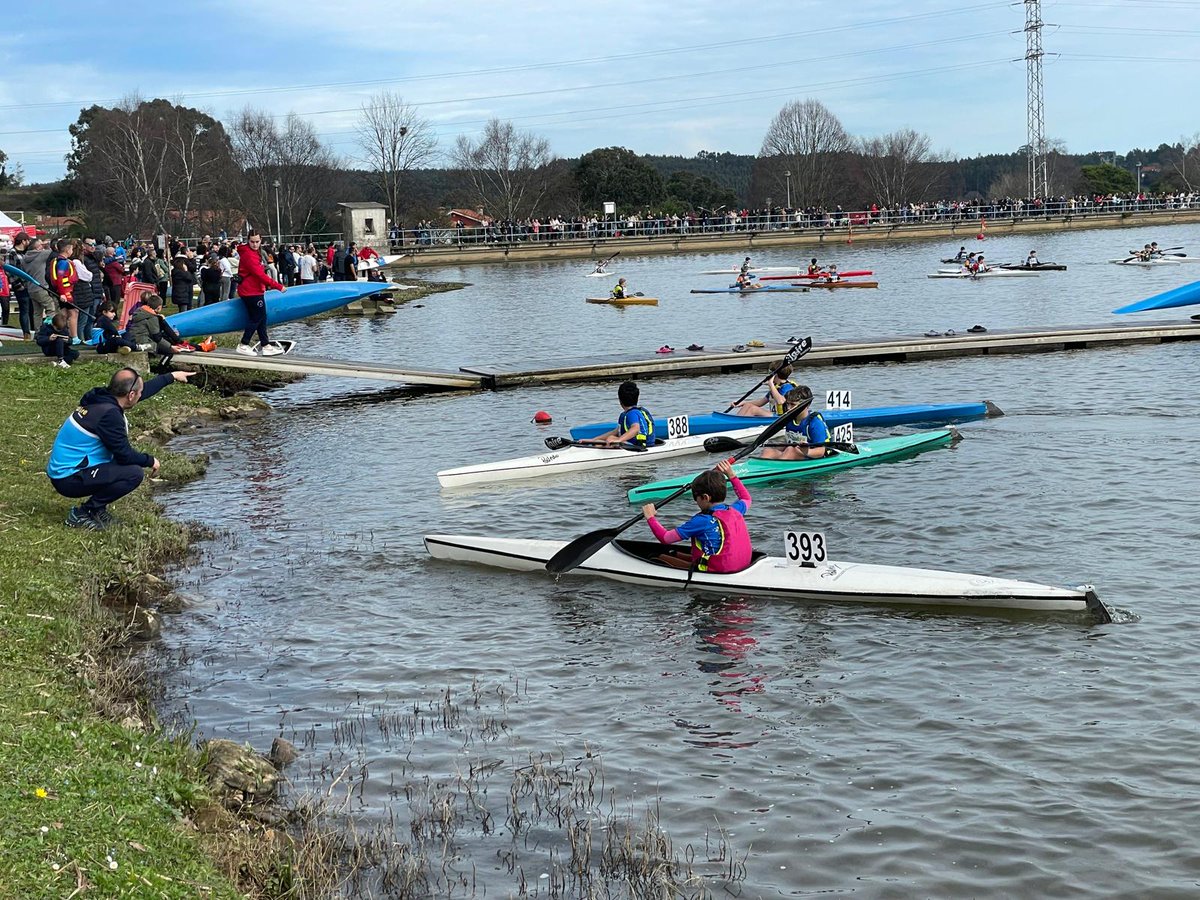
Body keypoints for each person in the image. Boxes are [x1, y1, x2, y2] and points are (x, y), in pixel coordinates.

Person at [46, 366, 195, 529]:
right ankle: (83, 513)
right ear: (131, 395)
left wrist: (172, 376)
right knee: (133, 473)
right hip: (68, 478)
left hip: (71, 470)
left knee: (126, 468)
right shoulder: (109, 415)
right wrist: (150, 460)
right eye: (138, 393)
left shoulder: (101, 398)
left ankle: (97, 510)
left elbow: (140, 392)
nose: (140, 395)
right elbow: (124, 455)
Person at [641, 459, 753, 574]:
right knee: (674, 553)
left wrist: (650, 517)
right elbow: (746, 498)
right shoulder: (736, 510)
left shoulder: (702, 520)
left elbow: (665, 538)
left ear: (705, 497)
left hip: (720, 571)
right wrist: (731, 475)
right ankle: (676, 555)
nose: (696, 502)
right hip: (743, 565)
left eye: (696, 498)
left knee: (657, 557)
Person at [236, 230, 285, 356]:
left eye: (257, 242)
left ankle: (265, 345)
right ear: (248, 240)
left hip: (254, 290)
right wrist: (278, 286)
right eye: (252, 242)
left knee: (262, 317)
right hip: (250, 292)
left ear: (261, 240)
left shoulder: (253, 252)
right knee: (257, 317)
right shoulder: (249, 255)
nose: (255, 244)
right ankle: (244, 344)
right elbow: (259, 275)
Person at [757, 384, 829, 460]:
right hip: (795, 454)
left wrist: (806, 451)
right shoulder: (789, 419)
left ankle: (776, 469)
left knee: (790, 450)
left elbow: (821, 452)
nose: (788, 408)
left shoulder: (815, 423)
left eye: (792, 404)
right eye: (788, 404)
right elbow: (789, 442)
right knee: (768, 451)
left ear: (806, 405)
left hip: (815, 456)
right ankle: (757, 468)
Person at [588, 381, 656, 447]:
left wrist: (619, 440)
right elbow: (617, 431)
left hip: (640, 446)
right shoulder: (630, 413)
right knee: (606, 439)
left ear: (620, 401)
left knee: (611, 438)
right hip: (637, 444)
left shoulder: (632, 414)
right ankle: (594, 445)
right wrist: (594, 440)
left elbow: (635, 429)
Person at [128, 293, 187, 365]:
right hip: (143, 342)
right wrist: (170, 347)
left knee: (166, 343)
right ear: (159, 307)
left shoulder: (141, 311)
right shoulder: (152, 318)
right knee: (169, 352)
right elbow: (157, 337)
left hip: (134, 339)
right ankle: (161, 370)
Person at [729, 364, 798, 417]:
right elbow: (761, 402)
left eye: (770, 372)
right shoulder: (776, 387)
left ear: (774, 375)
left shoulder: (787, 387)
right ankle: (734, 421)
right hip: (775, 415)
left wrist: (770, 384)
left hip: (782, 417)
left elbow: (781, 401)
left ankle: (739, 424)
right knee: (748, 405)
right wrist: (742, 403)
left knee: (753, 409)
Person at [47, 238, 81, 343]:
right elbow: (60, 278)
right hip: (66, 292)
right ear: (67, 250)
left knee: (65, 313)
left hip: (63, 291)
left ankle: (63, 333)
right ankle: (74, 337)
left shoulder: (58, 260)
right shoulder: (63, 263)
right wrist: (62, 294)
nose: (72, 251)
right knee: (74, 312)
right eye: (71, 249)